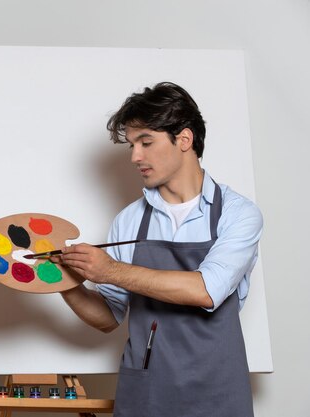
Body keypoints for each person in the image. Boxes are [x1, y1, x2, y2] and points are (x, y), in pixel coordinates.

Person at [54, 82, 262, 417]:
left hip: (219, 390)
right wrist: (62, 282)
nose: (135, 156)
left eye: (146, 142)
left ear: (184, 139)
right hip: (148, 390)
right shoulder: (129, 220)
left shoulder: (238, 213)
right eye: (132, 145)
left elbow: (207, 290)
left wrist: (109, 270)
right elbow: (108, 316)